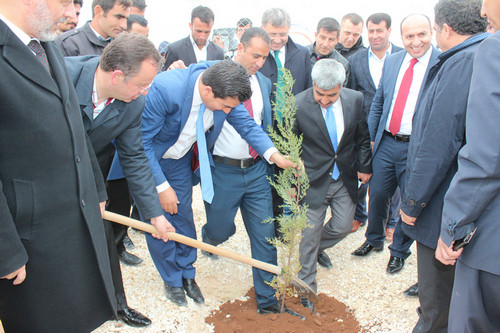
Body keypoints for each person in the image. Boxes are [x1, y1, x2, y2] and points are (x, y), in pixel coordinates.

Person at [0, 0, 117, 331]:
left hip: (71, 219)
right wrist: (5, 249)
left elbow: (73, 127)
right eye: (65, 1)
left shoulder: (44, 44)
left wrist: (95, 188)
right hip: (29, 236)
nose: (71, 13)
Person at [141, 60, 295, 309]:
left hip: (179, 160)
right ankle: (171, 279)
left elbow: (246, 125)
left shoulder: (225, 88)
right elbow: (141, 144)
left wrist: (274, 155)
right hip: (153, 161)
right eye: (224, 107)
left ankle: (187, 274)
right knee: (161, 218)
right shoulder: (166, 89)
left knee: (183, 217)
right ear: (207, 91)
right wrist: (160, 186)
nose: (227, 112)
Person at [65, 33, 176, 327]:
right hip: (49, 173)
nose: (145, 93)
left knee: (101, 239)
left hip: (94, 176)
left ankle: (117, 304)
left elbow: (135, 156)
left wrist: (154, 213)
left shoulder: (133, 103)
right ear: (116, 76)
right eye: (142, 85)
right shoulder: (61, 75)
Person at [399, 1, 488, 331]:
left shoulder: (461, 62)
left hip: (443, 204)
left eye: (433, 30)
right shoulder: (484, 54)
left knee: (436, 305)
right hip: (470, 202)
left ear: (445, 29)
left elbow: (438, 142)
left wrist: (411, 203)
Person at [200, 28, 282, 314]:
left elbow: (258, 126)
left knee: (265, 237)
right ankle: (210, 236)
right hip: (224, 172)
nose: (259, 62)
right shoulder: (216, 76)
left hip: (257, 172)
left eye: (264, 57)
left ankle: (268, 302)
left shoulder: (264, 84)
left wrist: (273, 156)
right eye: (255, 55)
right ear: (240, 47)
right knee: (220, 232)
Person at [352, 14, 440, 275]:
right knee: (377, 194)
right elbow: (379, 101)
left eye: (421, 34)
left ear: (432, 33)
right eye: (410, 36)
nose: (416, 41)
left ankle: (399, 251)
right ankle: (373, 239)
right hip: (387, 142)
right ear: (401, 37)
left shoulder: (441, 63)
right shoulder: (393, 61)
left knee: (409, 201)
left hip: (417, 147)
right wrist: (369, 138)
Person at [434, 0, 500, 331]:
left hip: (493, 247)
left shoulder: (494, 50)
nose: (484, 11)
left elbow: (486, 157)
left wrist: (453, 229)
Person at [293, 59, 372, 313]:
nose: (325, 101)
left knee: (341, 227)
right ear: (313, 85)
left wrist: (365, 166)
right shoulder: (297, 104)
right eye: (320, 94)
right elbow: (289, 146)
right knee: (310, 232)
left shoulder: (355, 99)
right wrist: (293, 176)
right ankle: (306, 285)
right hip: (312, 181)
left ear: (342, 86)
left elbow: (362, 137)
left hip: (344, 178)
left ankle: (313, 249)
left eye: (332, 96)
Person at [347, 13, 403, 236]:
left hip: (393, 128)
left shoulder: (403, 56)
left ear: (389, 31)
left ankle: (392, 221)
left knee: (393, 175)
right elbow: (351, 95)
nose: (374, 35)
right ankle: (359, 215)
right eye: (370, 31)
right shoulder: (355, 60)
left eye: (379, 30)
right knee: (359, 172)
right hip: (364, 128)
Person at [259, 8, 312, 228]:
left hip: (293, 129)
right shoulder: (257, 54)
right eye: (273, 34)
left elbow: (308, 91)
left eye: (283, 34)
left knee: (290, 176)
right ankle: (269, 223)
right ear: (263, 29)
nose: (278, 39)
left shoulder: (302, 54)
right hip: (264, 128)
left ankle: (286, 225)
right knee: (267, 178)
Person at [56, 0, 131, 56]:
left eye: (126, 19)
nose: (124, 26)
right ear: (98, 12)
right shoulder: (67, 44)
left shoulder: (124, 46)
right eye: (119, 17)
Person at [162, 5, 224, 71]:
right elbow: (167, 78)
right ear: (190, 26)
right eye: (198, 31)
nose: (202, 36)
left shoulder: (218, 52)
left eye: (207, 32)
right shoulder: (175, 50)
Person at [307, 17, 350, 87]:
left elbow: (341, 92)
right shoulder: (301, 54)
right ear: (316, 35)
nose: (325, 44)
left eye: (331, 39)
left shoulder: (342, 64)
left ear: (337, 40)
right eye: (322, 38)